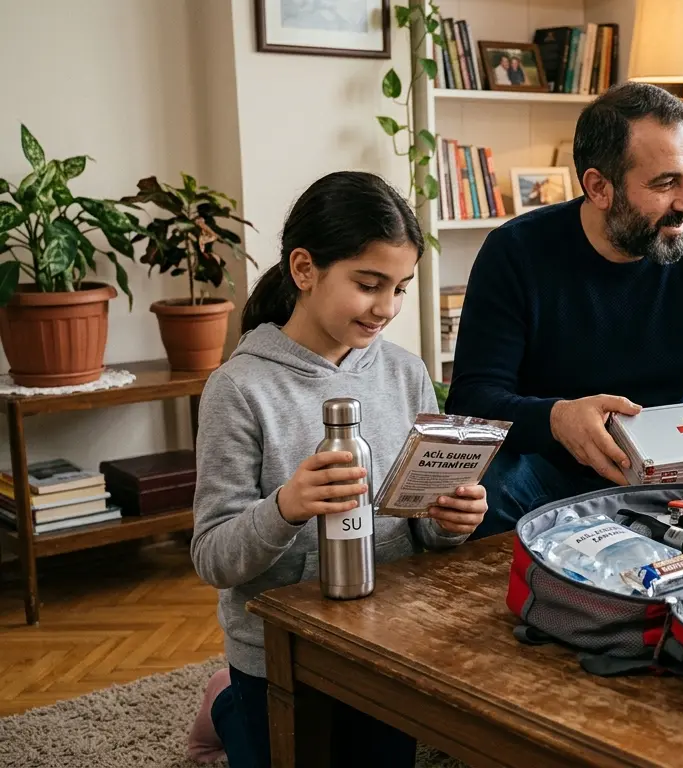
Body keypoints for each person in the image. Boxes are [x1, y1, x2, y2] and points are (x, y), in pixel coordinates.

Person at [190, 171, 488, 768]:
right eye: (369, 284)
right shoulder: (238, 389)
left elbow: (420, 526)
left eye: (400, 288)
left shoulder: (405, 373)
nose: (387, 308)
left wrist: (449, 520)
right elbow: (213, 557)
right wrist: (284, 507)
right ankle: (227, 704)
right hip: (279, 650)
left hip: (386, 639)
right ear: (304, 269)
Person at [446, 82, 683, 536]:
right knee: (485, 485)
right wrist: (558, 418)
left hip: (673, 468)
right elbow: (473, 400)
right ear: (599, 187)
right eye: (665, 183)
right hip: (553, 469)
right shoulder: (514, 251)